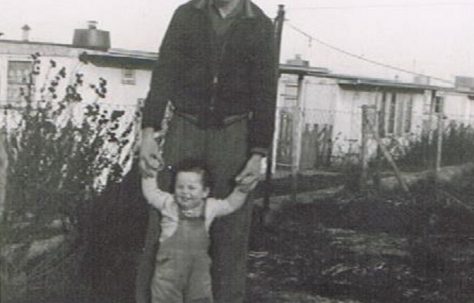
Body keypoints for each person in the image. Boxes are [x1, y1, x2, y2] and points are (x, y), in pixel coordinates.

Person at [136, 0, 276, 302]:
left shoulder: (261, 25)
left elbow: (266, 92)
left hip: (234, 135)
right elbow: (163, 74)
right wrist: (148, 133)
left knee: (231, 233)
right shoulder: (187, 14)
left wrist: (258, 153)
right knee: (162, 222)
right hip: (184, 128)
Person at [142, 159, 257, 303]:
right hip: (168, 273)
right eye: (180, 187)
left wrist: (241, 190)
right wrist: (149, 172)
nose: (185, 192)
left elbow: (230, 205)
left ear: (205, 192)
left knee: (200, 298)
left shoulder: (210, 207)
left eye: (191, 188)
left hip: (198, 273)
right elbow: (151, 194)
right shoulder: (169, 204)